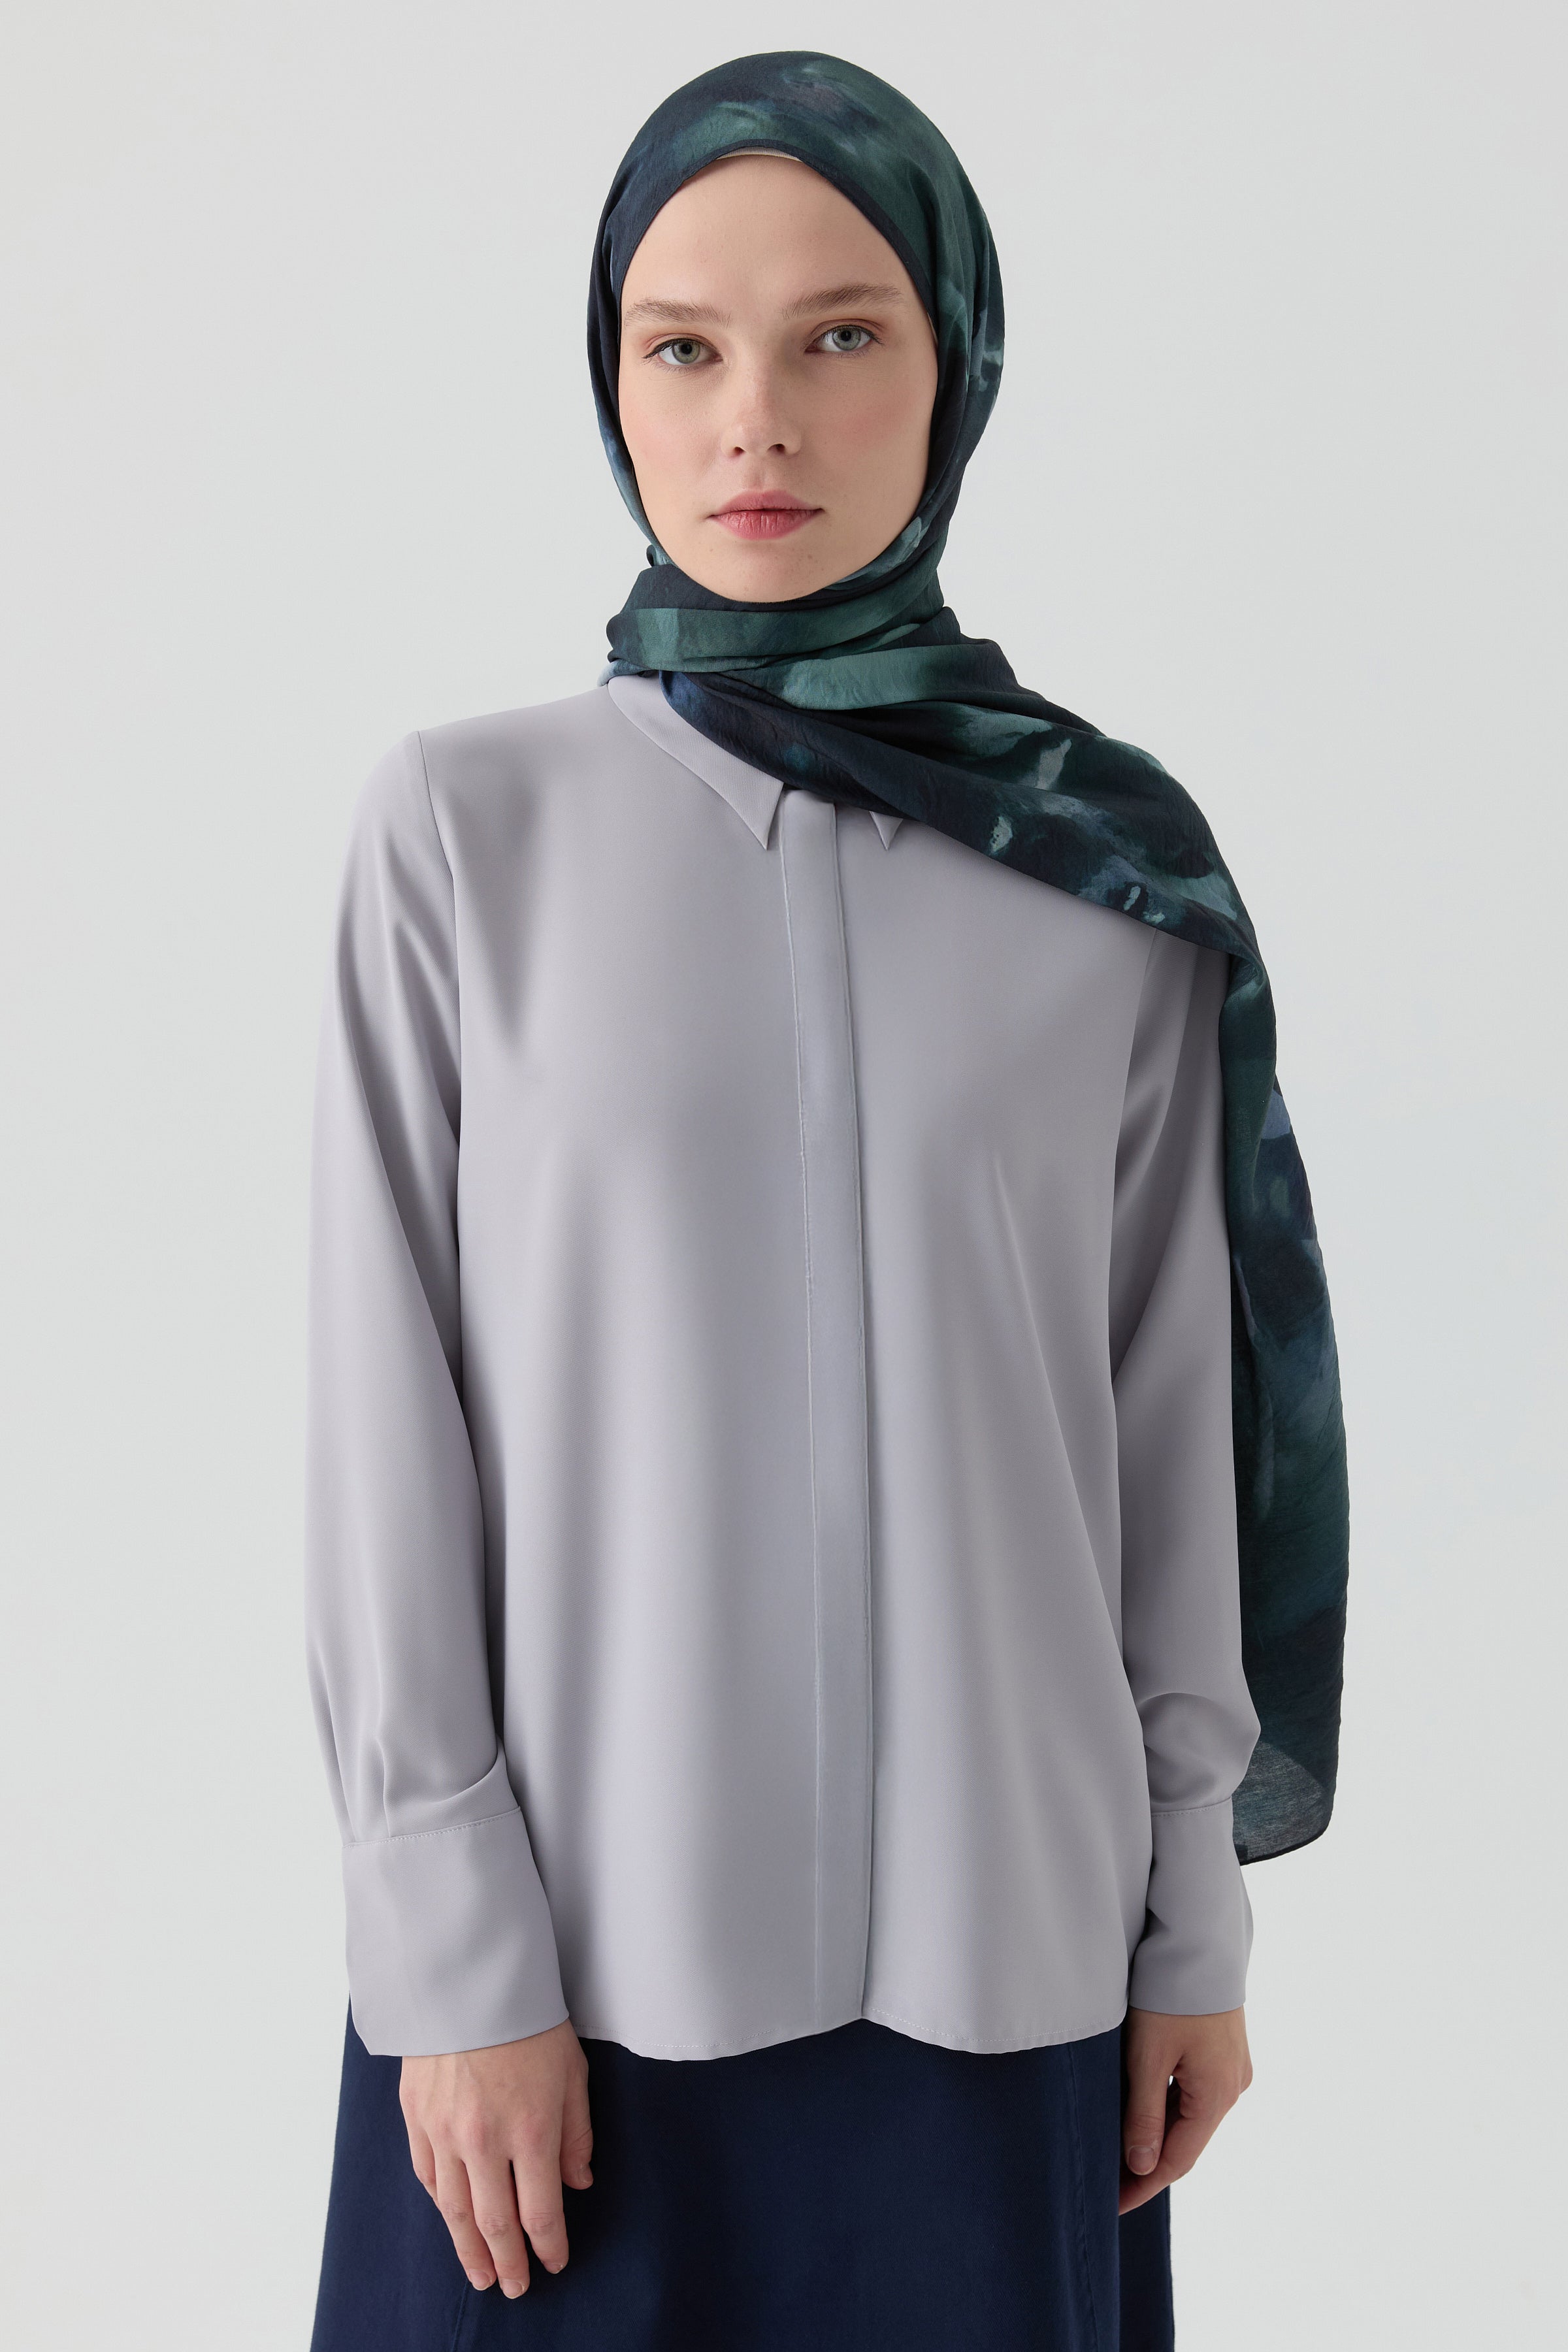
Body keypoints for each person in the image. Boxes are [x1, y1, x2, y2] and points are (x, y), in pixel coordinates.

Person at [304, 51, 1348, 2352]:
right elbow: (386, 1439)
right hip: (562, 2013)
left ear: (954, 368)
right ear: (613, 384)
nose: (753, 419)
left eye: (840, 335)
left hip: (1011, 1992)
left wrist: (1193, 1919)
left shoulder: (1105, 873)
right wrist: (449, 1951)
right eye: (682, 347)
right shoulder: (464, 837)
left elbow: (1170, 1448)